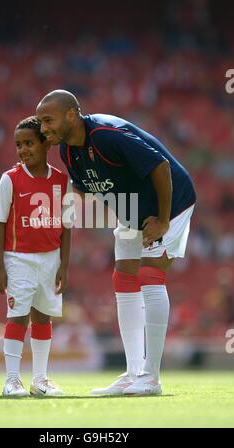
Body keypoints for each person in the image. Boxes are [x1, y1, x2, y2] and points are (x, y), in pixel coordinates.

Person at [36, 90, 196, 396]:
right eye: (41, 122)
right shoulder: (68, 151)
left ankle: (151, 377)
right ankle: (133, 372)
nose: (43, 128)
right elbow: (84, 190)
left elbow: (160, 166)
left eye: (48, 119)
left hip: (171, 204)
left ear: (71, 115)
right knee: (123, 278)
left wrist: (162, 220)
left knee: (149, 276)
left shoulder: (107, 135)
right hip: (132, 209)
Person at [0, 116, 72, 397]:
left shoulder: (61, 179)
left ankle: (40, 380)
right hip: (18, 257)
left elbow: (66, 225)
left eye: (29, 143)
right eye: (18, 145)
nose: (23, 150)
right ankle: (11, 380)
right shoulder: (10, 179)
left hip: (50, 258)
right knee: (18, 317)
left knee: (43, 317)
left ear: (46, 143)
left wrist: (64, 265)